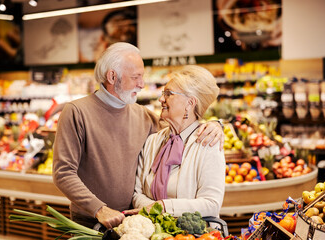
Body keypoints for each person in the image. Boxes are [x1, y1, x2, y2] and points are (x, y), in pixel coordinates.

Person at [52, 42, 224, 229]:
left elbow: (184, 126)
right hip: (89, 221)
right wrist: (99, 209)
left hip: (133, 220)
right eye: (136, 77)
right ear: (112, 76)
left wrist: (217, 124)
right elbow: (63, 172)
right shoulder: (76, 112)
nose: (142, 84)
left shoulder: (143, 116)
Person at [124, 65, 225, 218]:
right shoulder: (152, 141)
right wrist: (157, 214)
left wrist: (164, 207)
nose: (161, 99)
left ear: (190, 103)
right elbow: (137, 193)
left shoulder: (208, 143)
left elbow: (211, 204)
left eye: (168, 94)